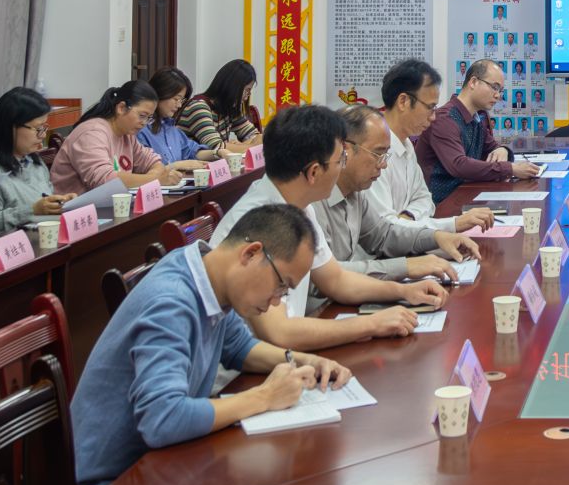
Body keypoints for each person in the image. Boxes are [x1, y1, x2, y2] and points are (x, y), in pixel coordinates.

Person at [71, 202, 350, 485]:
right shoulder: (171, 302)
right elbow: (162, 419)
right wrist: (265, 397)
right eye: (281, 285)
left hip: (162, 468)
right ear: (251, 253)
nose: (275, 301)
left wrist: (303, 360)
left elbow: (239, 347)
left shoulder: (205, 272)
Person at [208, 103, 440, 349]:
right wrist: (371, 324)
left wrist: (403, 292)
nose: (343, 167)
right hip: (256, 364)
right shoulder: (259, 219)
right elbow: (280, 332)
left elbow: (336, 280)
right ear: (314, 172)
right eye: (341, 159)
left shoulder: (299, 204)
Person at [322, 106, 481, 279]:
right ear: (344, 149)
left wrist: (436, 238)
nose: (383, 164)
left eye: (385, 155)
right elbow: (326, 275)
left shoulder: (355, 193)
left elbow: (384, 235)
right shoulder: (313, 202)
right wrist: (405, 267)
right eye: (377, 154)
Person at [377, 60, 492, 232]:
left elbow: (425, 200)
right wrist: (454, 224)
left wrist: (408, 216)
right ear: (403, 101)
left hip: (410, 236)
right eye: (430, 108)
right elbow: (385, 231)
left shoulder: (406, 145)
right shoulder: (374, 152)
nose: (433, 117)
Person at [414, 59, 540, 204]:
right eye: (494, 87)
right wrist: (511, 169)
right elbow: (459, 165)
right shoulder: (444, 119)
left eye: (500, 91)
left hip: (465, 197)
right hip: (438, 205)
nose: (498, 95)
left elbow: (492, 147)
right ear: (473, 82)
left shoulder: (476, 117)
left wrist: (503, 150)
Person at [0, 86, 70, 240]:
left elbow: (43, 204)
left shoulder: (34, 162)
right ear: (11, 127)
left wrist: (61, 203)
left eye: (44, 127)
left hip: (42, 239)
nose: (43, 135)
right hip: (7, 248)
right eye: (38, 128)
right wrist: (31, 210)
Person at [50, 80, 190, 194]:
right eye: (142, 116)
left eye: (149, 118)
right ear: (121, 108)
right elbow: (104, 181)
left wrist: (155, 176)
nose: (144, 123)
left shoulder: (127, 134)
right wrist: (155, 180)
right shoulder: (92, 133)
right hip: (72, 213)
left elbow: (152, 161)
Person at [175, 59, 263, 158]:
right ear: (233, 87)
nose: (246, 97)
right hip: (189, 166)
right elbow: (217, 148)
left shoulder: (229, 108)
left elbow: (256, 136)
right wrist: (251, 146)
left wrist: (240, 145)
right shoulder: (198, 107)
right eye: (247, 90)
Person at [137, 68, 203, 166]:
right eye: (176, 99)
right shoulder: (140, 128)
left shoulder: (170, 127)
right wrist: (177, 166)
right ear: (160, 93)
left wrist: (217, 153)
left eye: (181, 100)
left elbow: (191, 150)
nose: (179, 105)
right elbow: (145, 168)